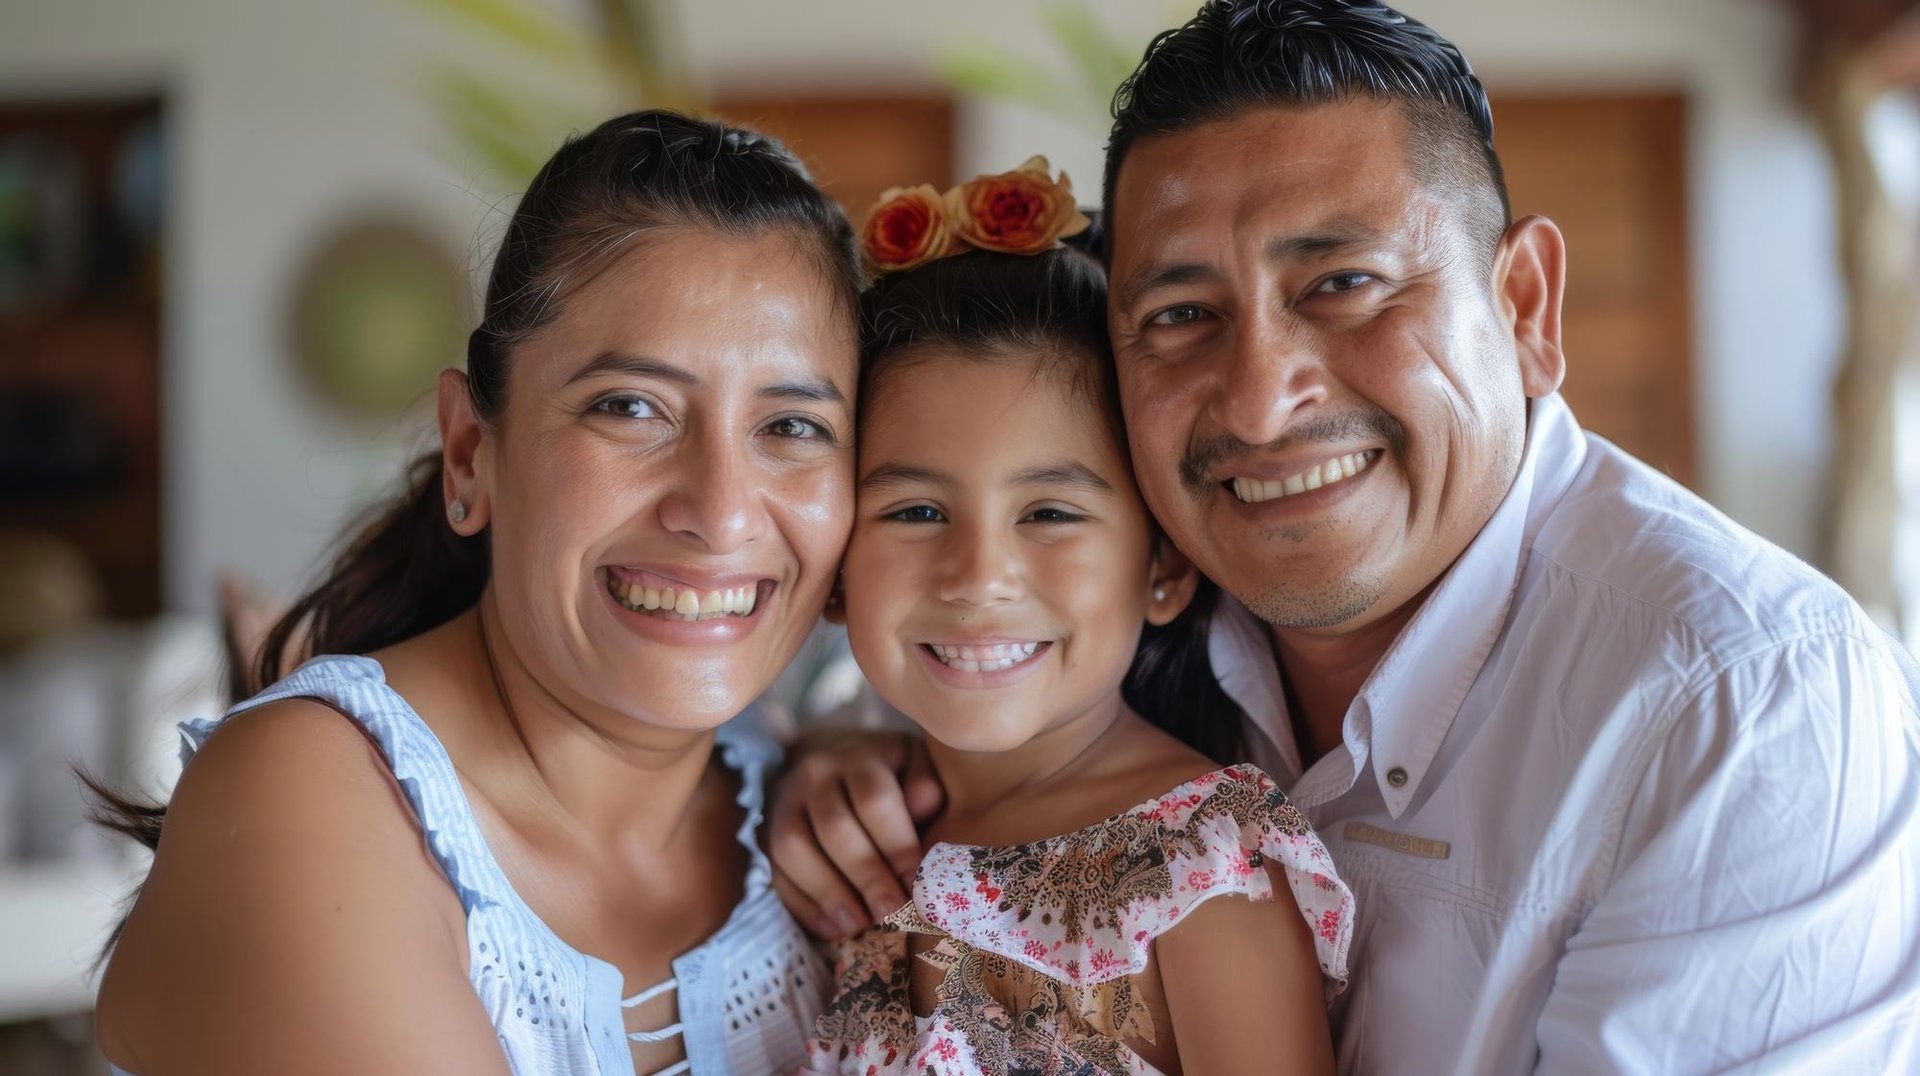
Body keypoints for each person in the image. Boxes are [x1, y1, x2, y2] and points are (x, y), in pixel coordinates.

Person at [767, 3, 1920, 1072]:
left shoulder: (1745, 704)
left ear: (1524, 305)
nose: (1260, 401)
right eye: (1181, 314)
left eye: (1345, 282)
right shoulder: (1136, 599)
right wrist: (843, 770)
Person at [90, 109, 863, 1075]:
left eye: (792, 426)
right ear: (469, 453)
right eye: (630, 407)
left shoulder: (817, 812)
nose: (720, 512)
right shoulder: (311, 793)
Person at [802, 170, 1351, 1075]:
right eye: (916, 512)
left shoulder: (1198, 869)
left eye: (1050, 512)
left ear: (1163, 567)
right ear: (833, 569)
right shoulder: (846, 850)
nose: (979, 576)